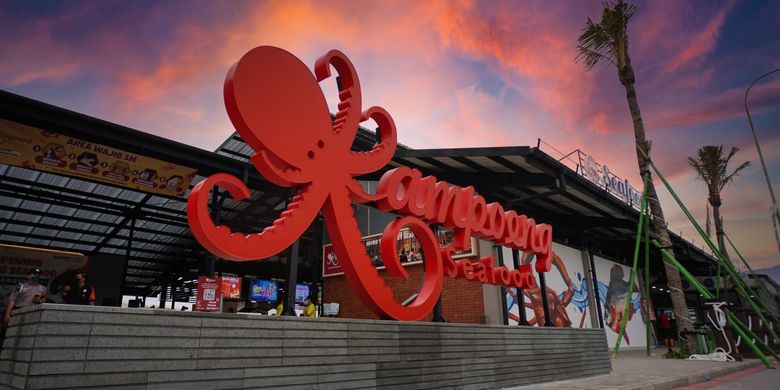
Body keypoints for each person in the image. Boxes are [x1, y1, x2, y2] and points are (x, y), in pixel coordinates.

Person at [2, 268, 48, 337]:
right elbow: (12, 300)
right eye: (34, 274)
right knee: (13, 332)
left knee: (28, 333)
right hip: (19, 311)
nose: (36, 276)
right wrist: (7, 314)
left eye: (38, 275)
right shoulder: (21, 286)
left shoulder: (42, 288)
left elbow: (44, 300)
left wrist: (40, 300)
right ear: (28, 276)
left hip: (33, 312)